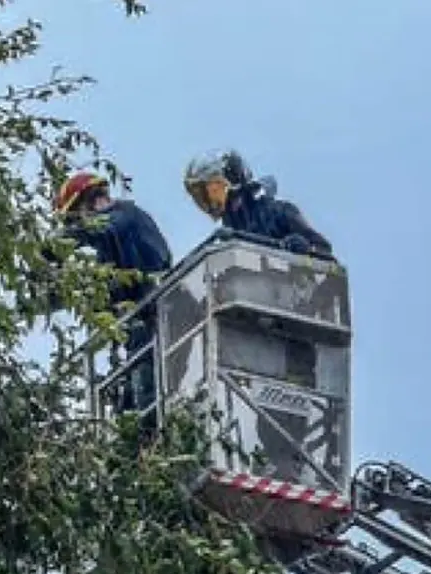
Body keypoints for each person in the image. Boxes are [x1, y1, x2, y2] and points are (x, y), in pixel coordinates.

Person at [49, 171, 173, 416]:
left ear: (91, 202)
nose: (77, 225)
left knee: (148, 397)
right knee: (127, 402)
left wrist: (55, 245)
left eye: (77, 218)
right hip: (137, 331)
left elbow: (101, 229)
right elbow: (102, 291)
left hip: (157, 319)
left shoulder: (127, 217)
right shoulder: (108, 250)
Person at [182, 150, 335, 259]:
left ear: (228, 183)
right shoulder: (226, 238)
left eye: (207, 191)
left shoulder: (279, 213)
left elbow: (324, 251)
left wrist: (305, 248)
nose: (205, 201)